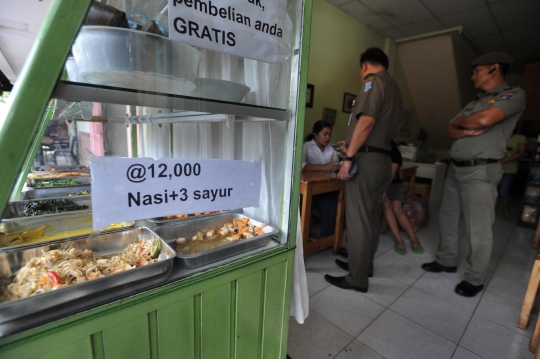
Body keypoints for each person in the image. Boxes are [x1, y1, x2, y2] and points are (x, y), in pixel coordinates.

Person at [421, 52, 526, 298]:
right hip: (456, 168)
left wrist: (467, 123)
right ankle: (446, 260)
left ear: (494, 68)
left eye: (476, 70)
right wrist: (470, 128)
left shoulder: (512, 95)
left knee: (477, 227)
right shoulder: (475, 101)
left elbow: (488, 118)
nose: (472, 76)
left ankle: (474, 278)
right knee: (447, 217)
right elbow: (448, 129)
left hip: (480, 170)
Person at [324, 47, 402, 293]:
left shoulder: (373, 83)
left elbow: (367, 121)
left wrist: (348, 156)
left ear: (364, 65)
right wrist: (353, 145)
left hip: (366, 162)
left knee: (357, 220)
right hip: (382, 161)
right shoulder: (394, 87)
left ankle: (356, 278)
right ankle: (364, 266)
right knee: (370, 217)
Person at [382, 141, 424, 255]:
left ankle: (414, 238)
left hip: (393, 184)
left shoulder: (393, 151)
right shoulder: (377, 148)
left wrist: (383, 188)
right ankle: (399, 240)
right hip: (380, 184)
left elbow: (392, 172)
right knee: (386, 205)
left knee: (397, 209)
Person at [302, 120, 341, 237]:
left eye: (330, 134)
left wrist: (339, 167)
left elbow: (335, 167)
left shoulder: (331, 150)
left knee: (340, 201)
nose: (328, 137)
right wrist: (323, 167)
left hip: (328, 186)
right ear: (315, 134)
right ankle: (327, 237)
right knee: (328, 205)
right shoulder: (307, 146)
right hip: (312, 187)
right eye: (325, 134)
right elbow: (301, 165)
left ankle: (336, 236)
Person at [497, 125, 526, 219]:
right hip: (494, 169)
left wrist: (506, 159)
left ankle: (506, 210)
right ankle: (491, 212)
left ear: (516, 126)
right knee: (492, 191)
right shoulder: (498, 138)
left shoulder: (520, 138)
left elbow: (521, 153)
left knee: (503, 192)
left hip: (509, 169)